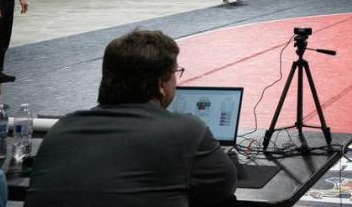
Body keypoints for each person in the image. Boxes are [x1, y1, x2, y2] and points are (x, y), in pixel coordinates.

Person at [25, 29, 237, 207]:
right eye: (175, 73)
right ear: (160, 85)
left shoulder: (60, 129)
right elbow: (223, 186)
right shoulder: (186, 130)